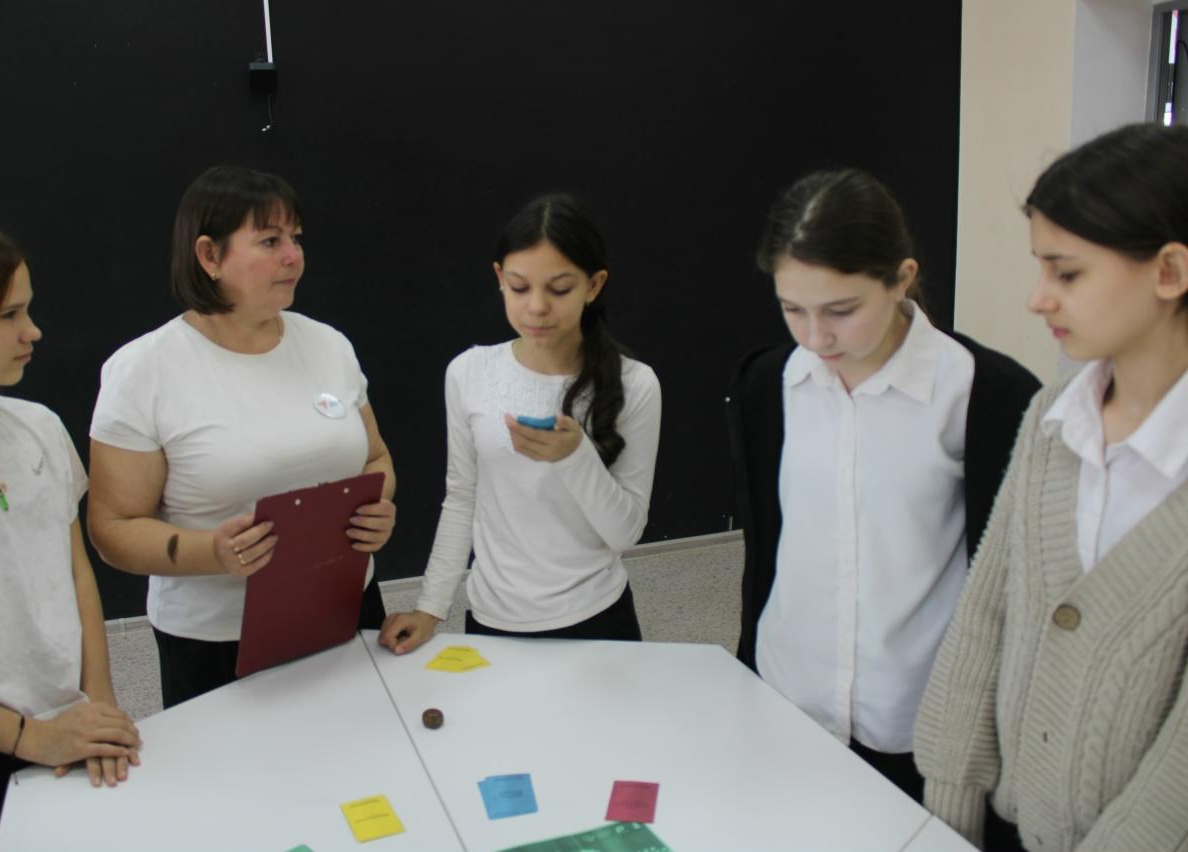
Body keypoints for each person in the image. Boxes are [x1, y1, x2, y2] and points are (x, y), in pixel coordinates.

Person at [914, 123, 1188, 851]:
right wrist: (950, 810)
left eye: (1066, 275)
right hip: (1003, 823)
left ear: (1169, 271)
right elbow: (986, 614)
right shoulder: (1051, 417)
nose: (1038, 300)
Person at [726, 169, 1040, 802]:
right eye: (793, 309)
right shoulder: (768, 383)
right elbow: (770, 549)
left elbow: (1014, 583)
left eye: (842, 311)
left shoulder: (987, 395)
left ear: (901, 278)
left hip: (916, 718)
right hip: (786, 696)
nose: (815, 336)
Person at [88, 166, 396, 708]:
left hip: (345, 604)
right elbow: (112, 529)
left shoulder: (329, 345)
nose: (293, 256)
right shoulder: (144, 370)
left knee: (364, 745)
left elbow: (375, 458)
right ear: (209, 255)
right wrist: (213, 552)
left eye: (296, 238)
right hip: (217, 639)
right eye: (270, 241)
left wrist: (379, 508)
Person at [0, 213, 141, 852]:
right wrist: (31, 737)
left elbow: (75, 575)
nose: (32, 330)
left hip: (70, 725)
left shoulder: (37, 425)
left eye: (27, 309)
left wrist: (99, 705)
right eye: (9, 315)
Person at [379, 192, 661, 652]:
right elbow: (462, 497)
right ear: (499, 279)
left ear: (594, 285)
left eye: (560, 289)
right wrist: (431, 606)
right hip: (493, 617)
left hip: (596, 616)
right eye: (519, 287)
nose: (537, 307)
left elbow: (625, 533)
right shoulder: (469, 372)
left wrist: (576, 456)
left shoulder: (635, 384)